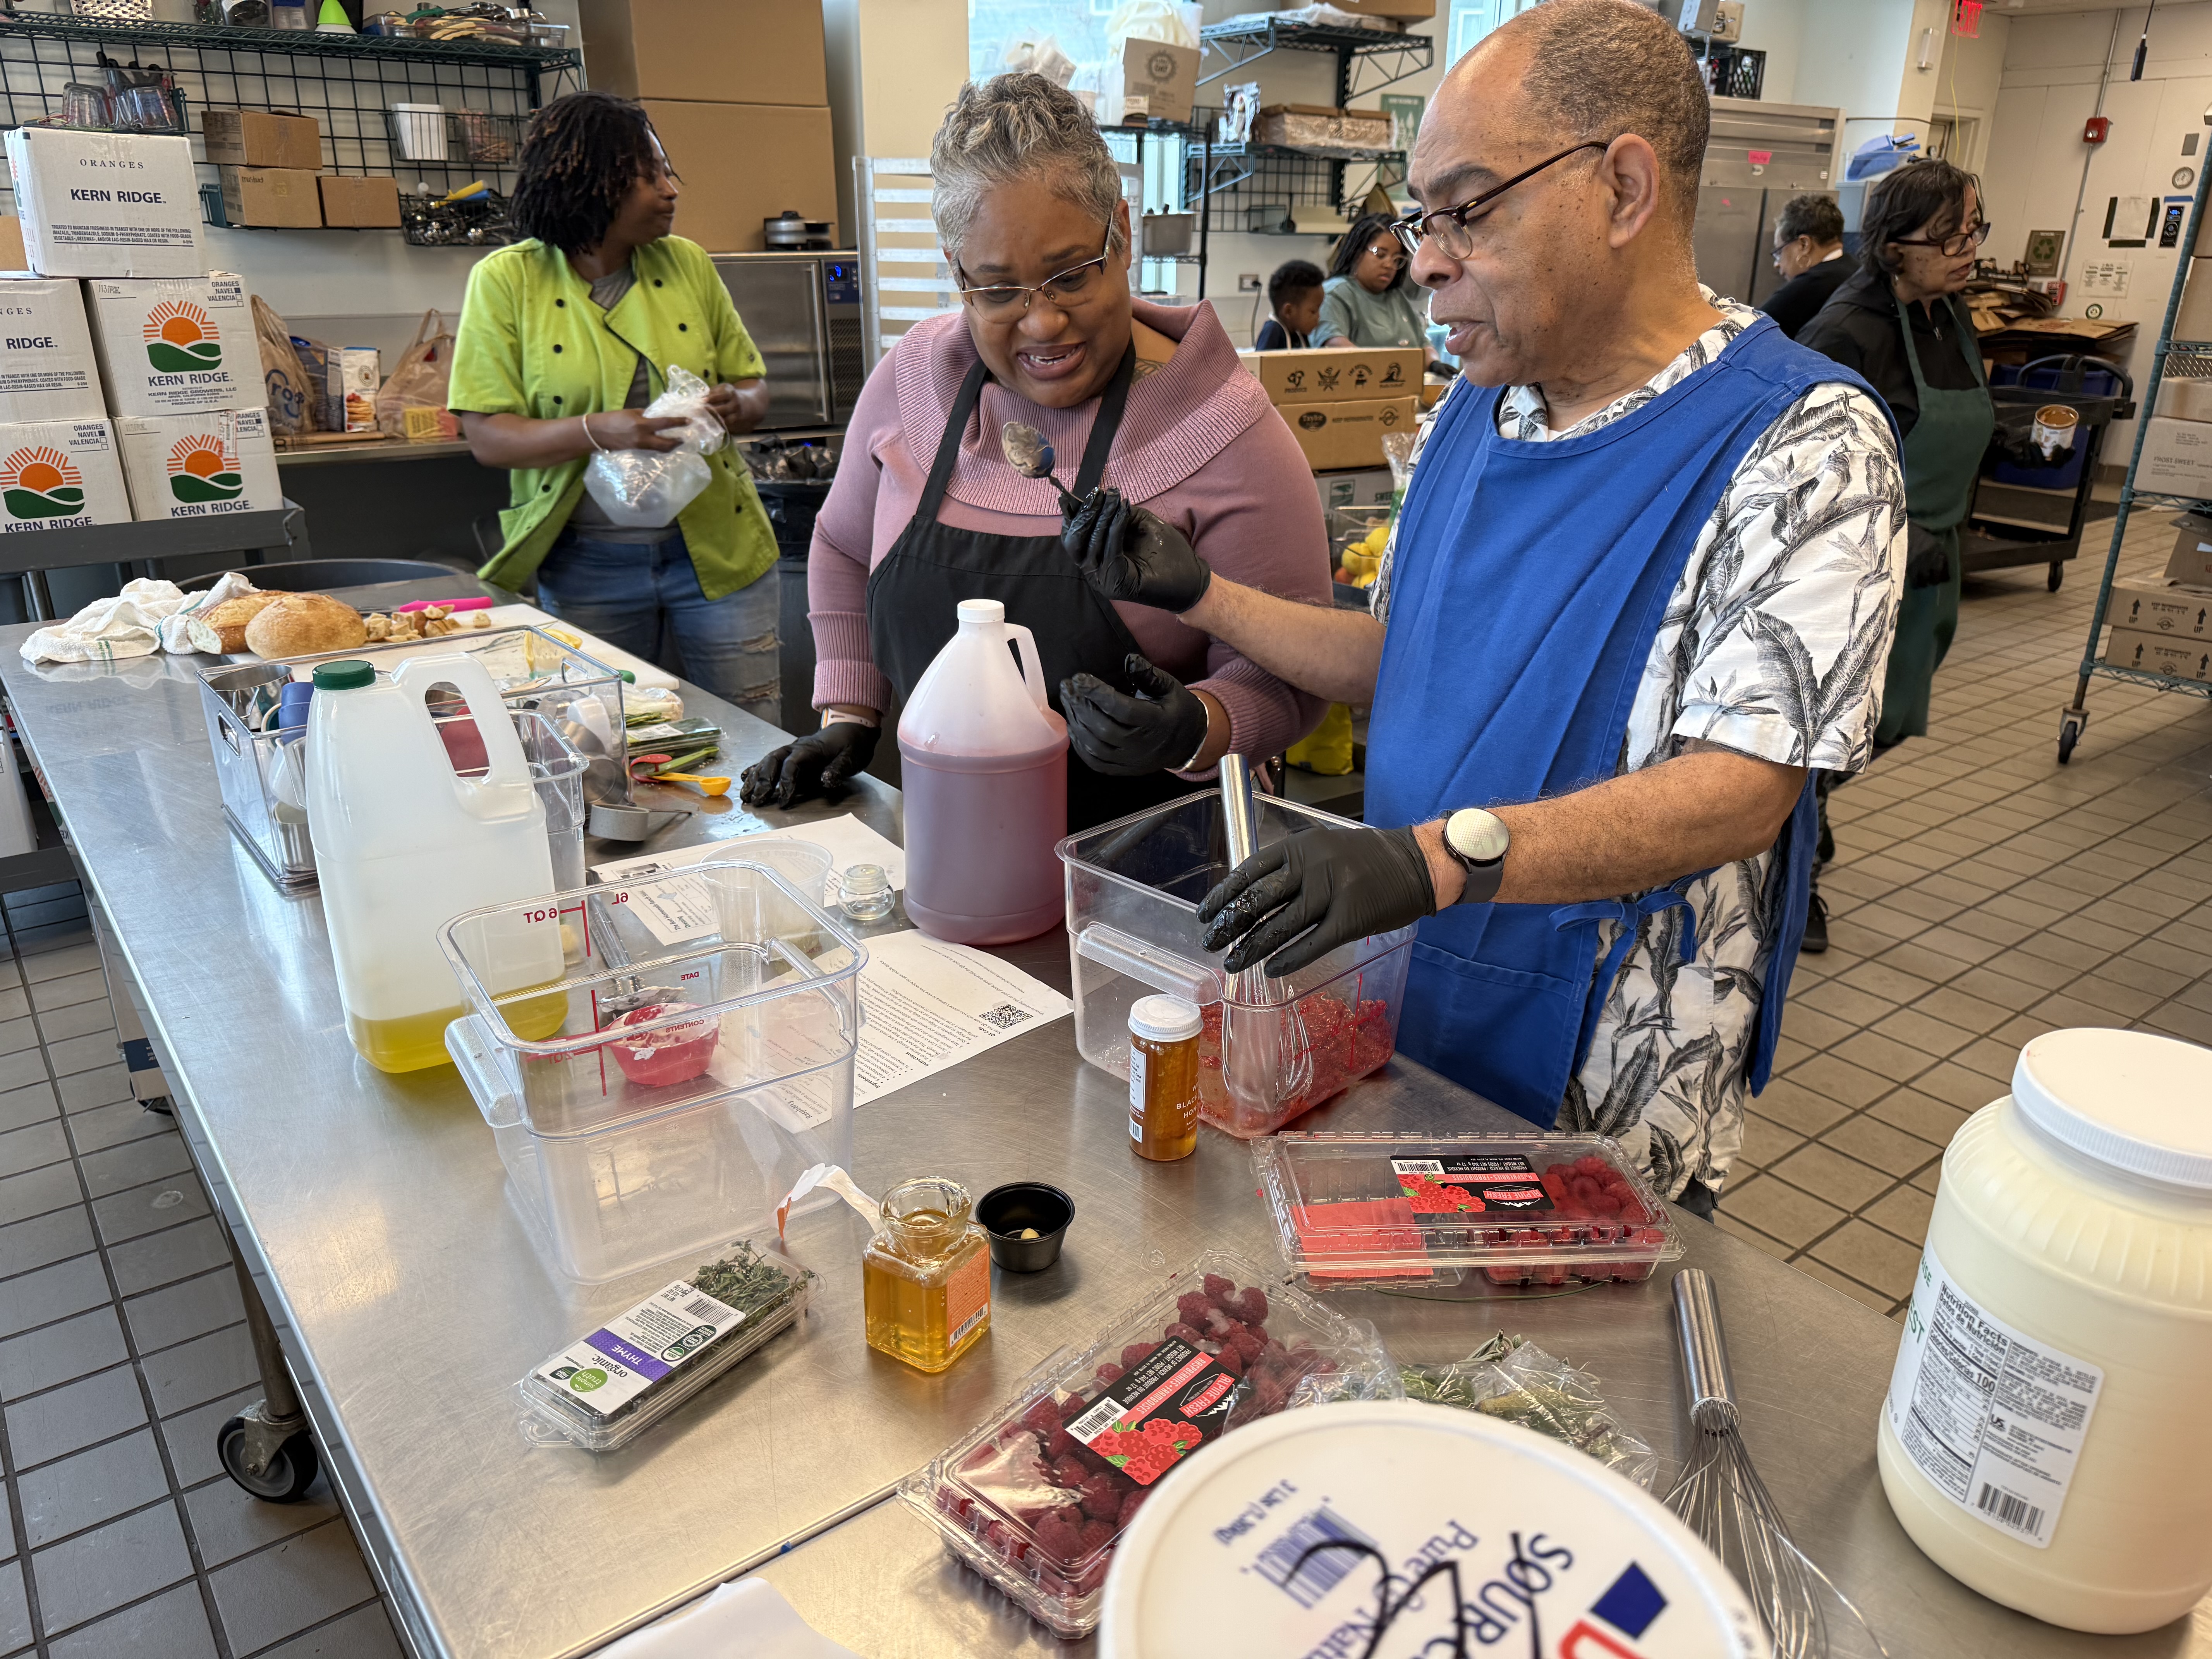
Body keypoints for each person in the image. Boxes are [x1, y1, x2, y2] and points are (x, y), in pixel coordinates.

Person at [1055, 0, 1907, 1214]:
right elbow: (1412, 659)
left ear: (1620, 190)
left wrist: (1438, 858)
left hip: (1602, 1072)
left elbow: (1740, 789)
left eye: (1464, 209)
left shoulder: (1804, 445)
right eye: (1421, 217)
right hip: (1408, 999)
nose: (1427, 255)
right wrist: (1200, 594)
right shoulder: (1477, 405)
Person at [739, 74, 1329, 830]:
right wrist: (850, 708)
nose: (1043, 323)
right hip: (955, 844)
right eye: (997, 289)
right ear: (957, 272)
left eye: (1070, 276)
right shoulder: (912, 386)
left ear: (1122, 231)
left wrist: (1197, 725)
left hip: (1162, 875)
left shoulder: (1225, 429)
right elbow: (843, 545)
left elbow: (1294, 673)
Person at [450, 93, 781, 722]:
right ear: (591, 183)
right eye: (649, 175)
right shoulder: (506, 280)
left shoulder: (687, 264)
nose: (670, 190)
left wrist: (735, 404)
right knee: (606, 741)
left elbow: (755, 388)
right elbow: (489, 438)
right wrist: (598, 430)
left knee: (754, 730)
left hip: (718, 549)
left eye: (667, 172)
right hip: (586, 567)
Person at [1795, 161, 2040, 955]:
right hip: (1859, 572)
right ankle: (1795, 874)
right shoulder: (1848, 332)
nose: (1970, 249)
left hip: (1934, 566)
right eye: (1952, 235)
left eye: (1977, 230)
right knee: (1827, 730)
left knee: (1885, 722)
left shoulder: (1946, 313)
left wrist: (2016, 446)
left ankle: (1802, 831)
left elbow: (1958, 415)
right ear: (1895, 244)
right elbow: (1804, 471)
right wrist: (1896, 538)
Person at [1312, 214, 1433, 352]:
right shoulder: (1335, 294)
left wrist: (1434, 363)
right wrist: (1383, 367)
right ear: (1357, 253)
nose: (1389, 265)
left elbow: (1423, 343)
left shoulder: (1396, 297)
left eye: (1397, 259)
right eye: (1380, 255)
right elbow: (1334, 344)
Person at [1760, 194, 1851, 339]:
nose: (1777, 265)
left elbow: (1746, 335)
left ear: (1804, 245)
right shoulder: (1857, 271)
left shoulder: (1811, 285)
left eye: (1779, 252)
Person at [1255, 259, 1324, 351]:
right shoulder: (1273, 331)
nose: (1318, 317)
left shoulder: (1301, 334)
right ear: (1289, 311)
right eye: (1313, 311)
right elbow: (1262, 364)